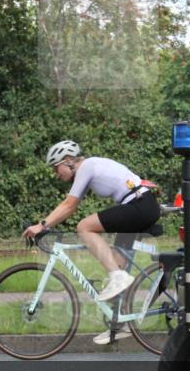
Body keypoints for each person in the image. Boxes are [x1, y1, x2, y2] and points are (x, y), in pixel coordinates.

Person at [23, 140, 161, 344]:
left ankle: (117, 277)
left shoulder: (86, 166)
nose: (55, 173)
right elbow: (70, 206)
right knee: (117, 262)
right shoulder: (88, 169)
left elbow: (69, 205)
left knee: (84, 227)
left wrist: (41, 225)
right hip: (140, 205)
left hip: (138, 205)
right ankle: (122, 323)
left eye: (56, 167)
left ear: (68, 161)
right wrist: (47, 224)